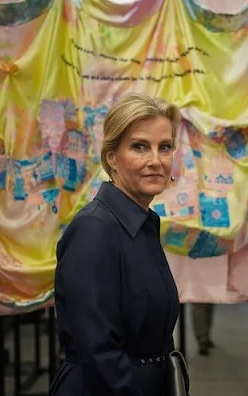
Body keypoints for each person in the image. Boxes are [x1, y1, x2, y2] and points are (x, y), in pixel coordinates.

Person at [51, 93, 183, 395]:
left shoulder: (142, 223)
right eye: (140, 147)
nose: (155, 160)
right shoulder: (94, 228)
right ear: (112, 157)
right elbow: (99, 351)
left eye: (165, 147)